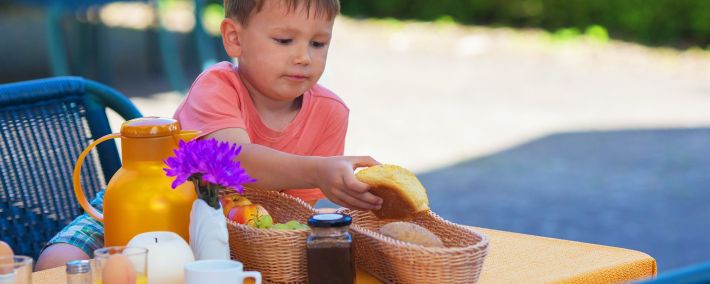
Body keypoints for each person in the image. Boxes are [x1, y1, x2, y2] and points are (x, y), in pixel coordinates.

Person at [36, 0, 382, 270]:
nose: (303, 57)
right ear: (235, 38)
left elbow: (289, 213)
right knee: (59, 263)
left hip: (236, 236)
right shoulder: (217, 86)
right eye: (284, 40)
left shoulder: (330, 113)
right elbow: (231, 161)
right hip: (148, 204)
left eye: (319, 43)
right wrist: (319, 169)